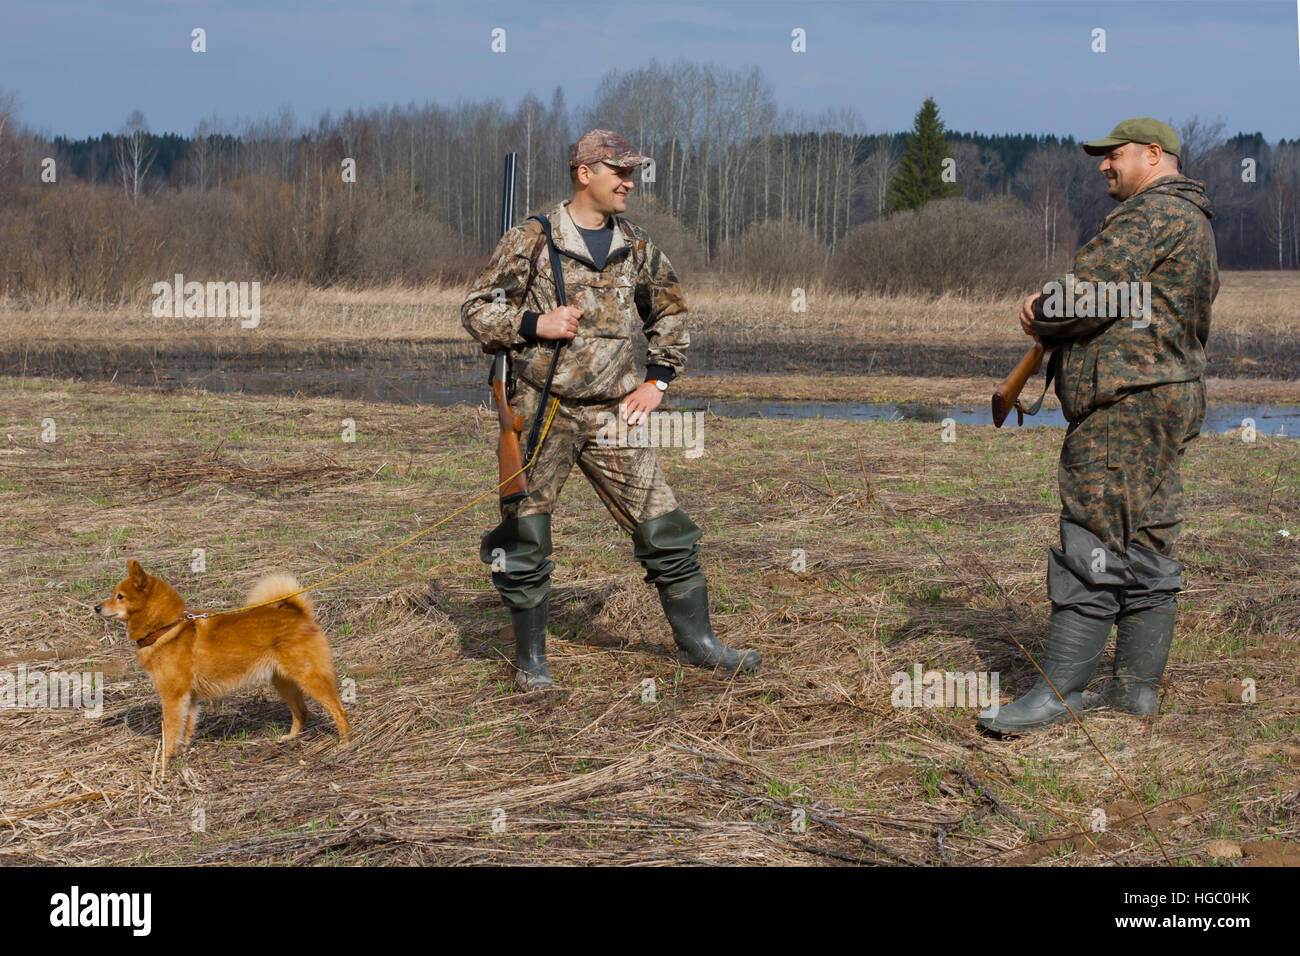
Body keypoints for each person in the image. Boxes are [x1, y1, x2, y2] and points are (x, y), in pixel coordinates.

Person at [461, 129, 761, 690]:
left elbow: (670, 311)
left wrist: (658, 380)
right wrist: (533, 323)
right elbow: (478, 310)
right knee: (525, 536)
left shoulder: (637, 245)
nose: (629, 182)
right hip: (541, 411)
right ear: (585, 173)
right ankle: (530, 660)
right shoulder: (533, 238)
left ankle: (700, 644)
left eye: (632, 173)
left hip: (613, 415)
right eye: (618, 171)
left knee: (666, 528)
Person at [979, 118, 1219, 733]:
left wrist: (1040, 309)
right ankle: (1135, 693)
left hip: (1125, 409)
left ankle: (1058, 696)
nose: (1104, 166)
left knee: (1093, 537)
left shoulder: (1150, 216)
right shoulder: (1195, 220)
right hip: (1166, 401)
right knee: (1147, 538)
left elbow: (1085, 296)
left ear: (1154, 154)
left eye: (1115, 155)